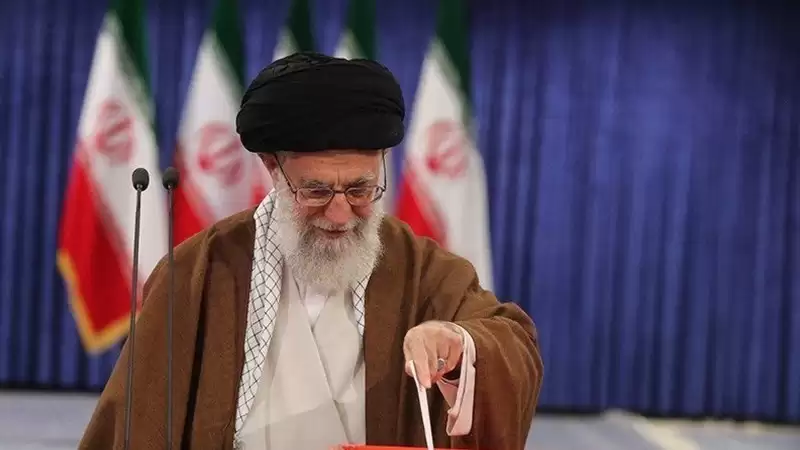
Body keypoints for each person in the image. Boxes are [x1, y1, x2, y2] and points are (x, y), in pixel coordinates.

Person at [79, 52, 543, 450]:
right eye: (317, 191)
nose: (340, 213)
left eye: (360, 189)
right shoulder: (199, 270)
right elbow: (135, 424)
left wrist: (459, 345)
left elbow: (511, 341)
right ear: (271, 167)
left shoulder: (425, 270)